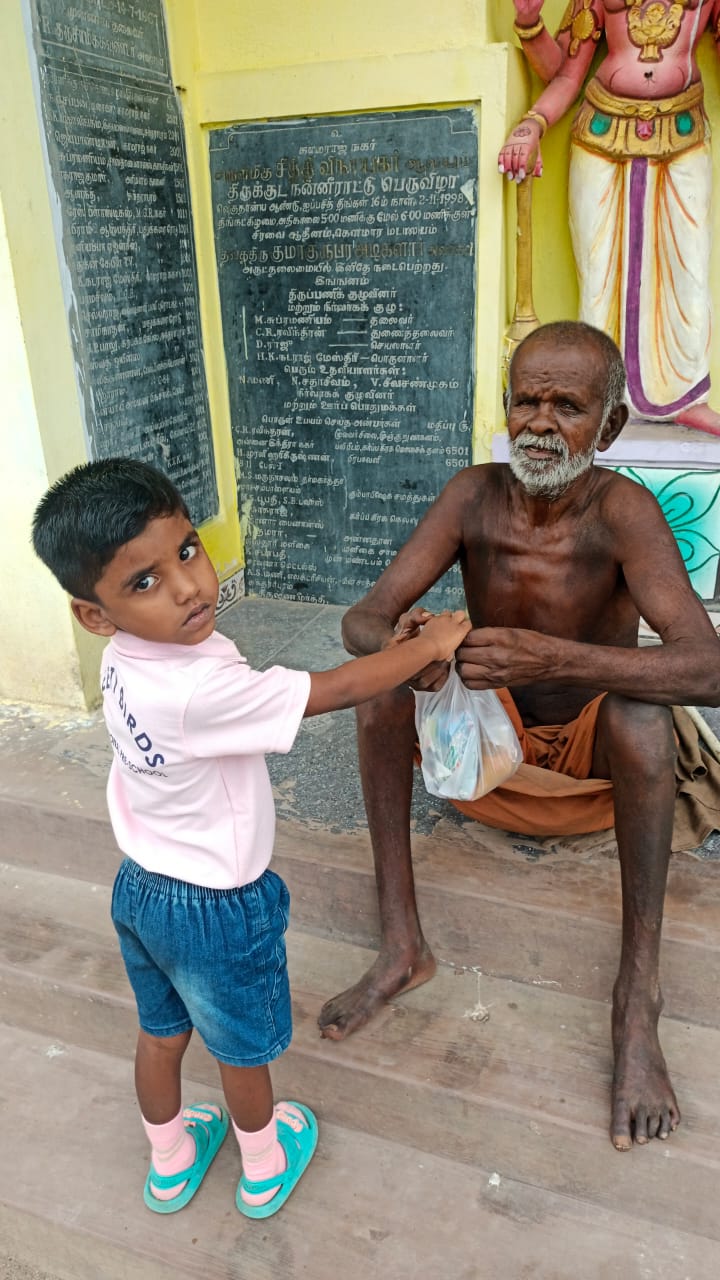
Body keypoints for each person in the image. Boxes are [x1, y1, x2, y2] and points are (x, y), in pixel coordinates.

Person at [317, 320, 720, 1152]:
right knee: (380, 690)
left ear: (609, 426)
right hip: (487, 749)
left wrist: (555, 657)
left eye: (567, 406)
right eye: (526, 401)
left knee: (643, 717)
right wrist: (410, 650)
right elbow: (363, 618)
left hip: (589, 757)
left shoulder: (624, 512)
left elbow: (708, 669)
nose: (539, 423)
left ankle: (636, 1001)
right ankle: (401, 944)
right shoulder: (472, 495)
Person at [31, 457, 470, 1218]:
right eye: (145, 581)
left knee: (160, 1033)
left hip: (141, 888)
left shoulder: (127, 658)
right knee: (239, 1050)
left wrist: (397, 650)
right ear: (94, 615)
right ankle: (264, 1166)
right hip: (215, 908)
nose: (187, 587)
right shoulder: (200, 690)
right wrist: (427, 649)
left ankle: (170, 1161)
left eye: (187, 550)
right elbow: (332, 690)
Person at [498, 0, 720, 435]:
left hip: (683, 134)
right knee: (598, 278)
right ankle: (598, 399)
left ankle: (687, 397)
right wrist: (534, 119)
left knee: (688, 273)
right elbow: (562, 72)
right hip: (601, 136)